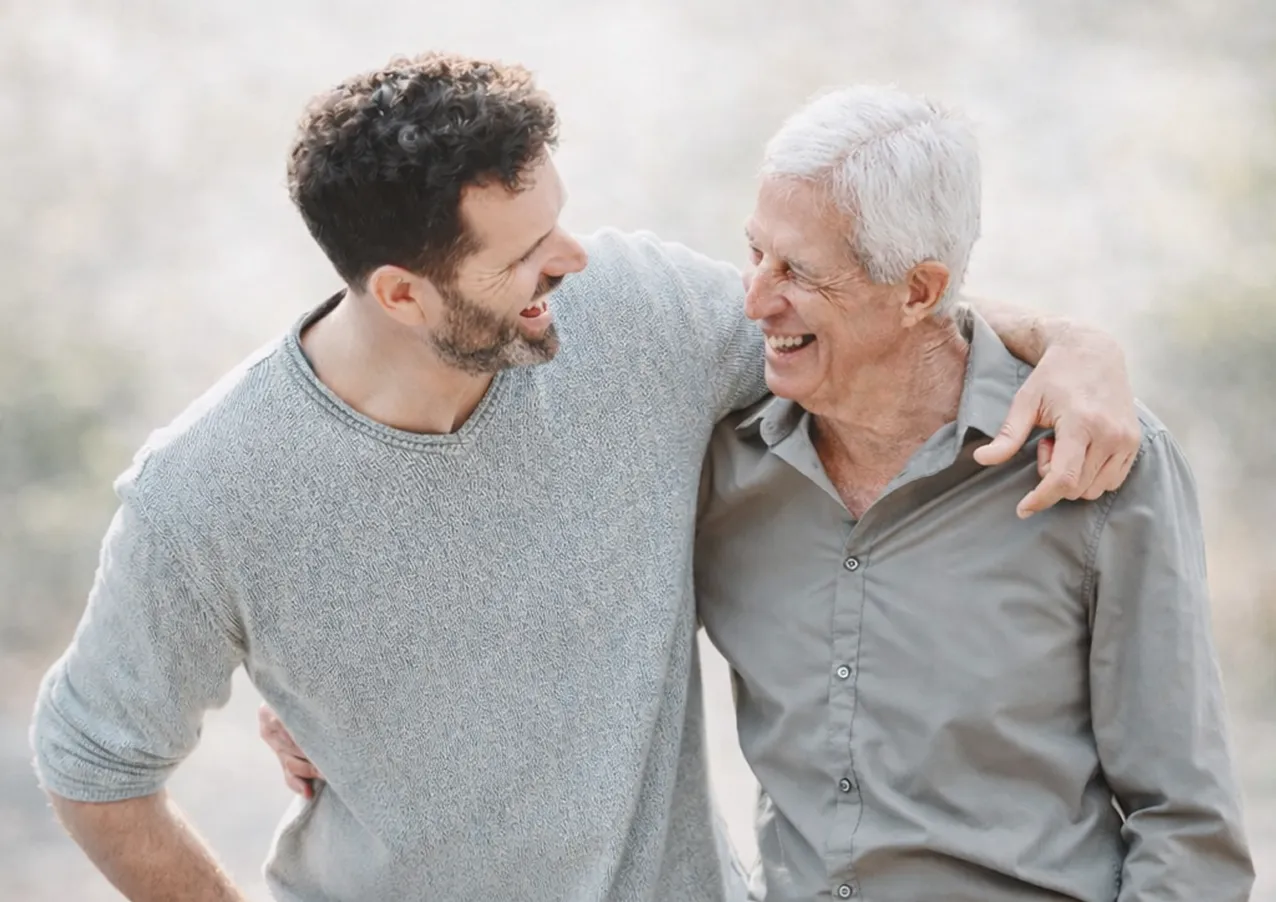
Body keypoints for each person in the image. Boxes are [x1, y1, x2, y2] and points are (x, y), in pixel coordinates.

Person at [32, 54, 1139, 902]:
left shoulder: (630, 316)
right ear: (404, 296)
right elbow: (94, 762)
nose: (570, 260)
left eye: (556, 222)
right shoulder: (206, 492)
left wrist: (1069, 340)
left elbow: (852, 314)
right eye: (523, 255)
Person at [697, 86, 1251, 900]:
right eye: (755, 252)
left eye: (798, 272)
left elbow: (1188, 830)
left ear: (920, 291)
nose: (753, 299)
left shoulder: (1095, 460)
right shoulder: (723, 449)